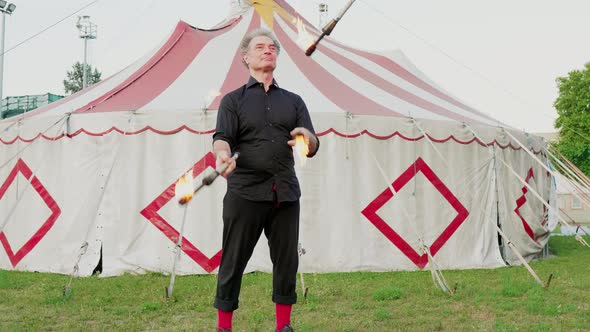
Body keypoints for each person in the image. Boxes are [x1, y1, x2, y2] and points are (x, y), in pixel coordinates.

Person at [211, 28, 319, 332]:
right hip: (244, 192)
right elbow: (222, 138)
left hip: (285, 193)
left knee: (286, 263)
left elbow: (312, 144)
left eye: (272, 47)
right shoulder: (232, 101)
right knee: (232, 262)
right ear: (246, 57)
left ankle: (283, 326)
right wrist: (222, 155)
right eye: (260, 46)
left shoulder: (294, 101)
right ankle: (224, 327)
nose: (267, 50)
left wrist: (306, 138)